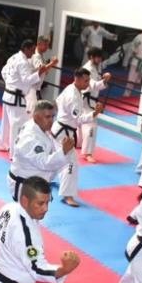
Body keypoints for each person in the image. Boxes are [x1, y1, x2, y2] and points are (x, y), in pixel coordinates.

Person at [0, 39, 57, 156]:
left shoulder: (14, 57)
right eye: (32, 50)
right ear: (26, 49)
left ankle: (3, 143)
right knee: (17, 125)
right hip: (15, 97)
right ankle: (14, 153)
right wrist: (39, 73)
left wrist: (10, 84)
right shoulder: (23, 62)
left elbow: (4, 71)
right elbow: (27, 80)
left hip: (8, 95)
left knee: (7, 123)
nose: (33, 53)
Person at [51, 67, 102, 207]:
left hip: (60, 129)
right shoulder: (73, 96)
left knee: (57, 159)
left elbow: (57, 101)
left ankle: (44, 180)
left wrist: (60, 116)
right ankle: (67, 195)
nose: (87, 84)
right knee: (71, 163)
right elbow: (79, 119)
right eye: (85, 81)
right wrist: (94, 113)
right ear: (77, 79)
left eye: (88, 81)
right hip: (63, 133)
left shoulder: (71, 88)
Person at [9, 100, 74, 202]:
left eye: (53, 116)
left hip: (35, 182)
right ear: (36, 117)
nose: (51, 120)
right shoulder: (30, 138)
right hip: (25, 185)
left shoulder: (38, 127)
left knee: (36, 217)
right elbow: (44, 162)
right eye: (47, 117)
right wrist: (63, 152)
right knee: (27, 216)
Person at [80, 47, 111, 163]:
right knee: (91, 126)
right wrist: (105, 81)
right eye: (97, 57)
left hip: (91, 100)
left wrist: (104, 79)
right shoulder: (88, 68)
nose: (99, 59)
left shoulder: (96, 67)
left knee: (83, 124)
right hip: (87, 100)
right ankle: (88, 153)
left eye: (100, 57)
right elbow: (93, 85)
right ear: (91, 57)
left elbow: (97, 83)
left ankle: (80, 144)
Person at [28, 36, 50, 113]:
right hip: (31, 89)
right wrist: (52, 64)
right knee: (31, 113)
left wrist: (47, 66)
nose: (47, 47)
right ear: (39, 44)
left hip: (36, 88)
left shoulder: (40, 56)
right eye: (45, 45)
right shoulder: (36, 56)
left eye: (48, 45)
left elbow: (44, 72)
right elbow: (41, 70)